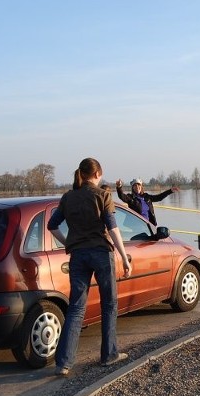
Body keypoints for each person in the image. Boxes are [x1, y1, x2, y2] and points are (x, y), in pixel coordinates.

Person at [47, 158, 132, 376]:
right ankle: (109, 355)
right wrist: (124, 257)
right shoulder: (103, 195)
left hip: (78, 256)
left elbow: (52, 225)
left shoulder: (68, 197)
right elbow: (113, 229)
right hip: (101, 254)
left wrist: (69, 243)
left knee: (76, 307)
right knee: (109, 304)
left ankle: (64, 363)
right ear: (97, 175)